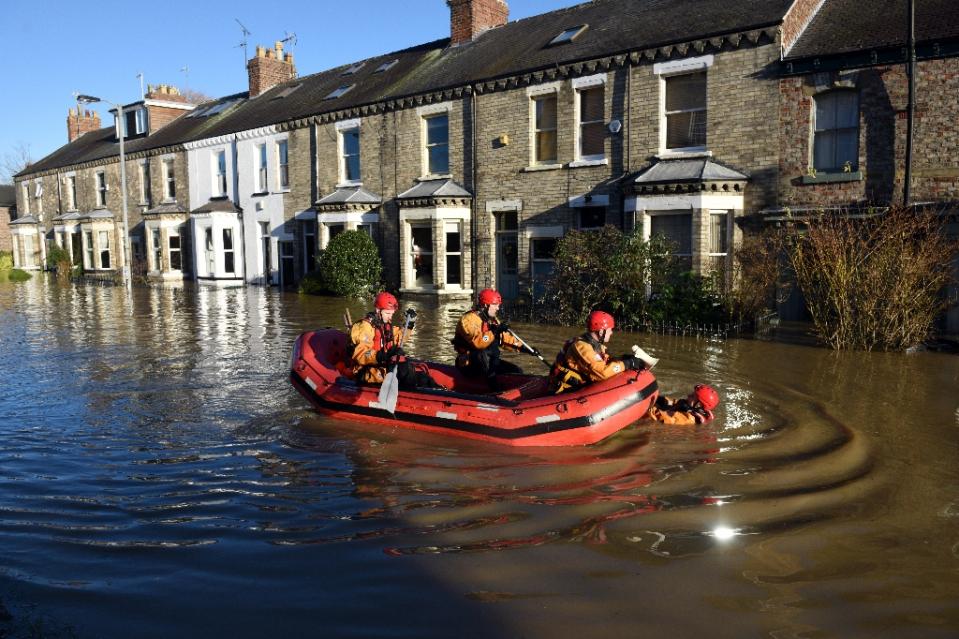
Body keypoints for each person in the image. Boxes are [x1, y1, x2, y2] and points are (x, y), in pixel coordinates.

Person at [453, 288, 538, 390]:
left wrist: (525, 349)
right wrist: (494, 331)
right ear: (486, 305)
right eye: (495, 305)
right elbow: (478, 343)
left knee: (516, 370)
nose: (498, 308)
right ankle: (493, 388)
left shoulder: (492, 321)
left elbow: (505, 339)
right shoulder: (467, 321)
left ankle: (510, 391)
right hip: (469, 364)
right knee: (482, 354)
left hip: (489, 362)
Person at [349, 292, 437, 390]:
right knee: (405, 375)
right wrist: (383, 355)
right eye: (387, 313)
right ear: (378, 310)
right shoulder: (364, 327)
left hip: (383, 366)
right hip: (366, 371)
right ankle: (412, 397)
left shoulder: (385, 324)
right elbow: (361, 354)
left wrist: (410, 323)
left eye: (392, 314)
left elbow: (400, 338)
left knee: (421, 377)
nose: (390, 317)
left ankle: (439, 391)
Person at [548, 310, 645, 393]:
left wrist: (623, 358)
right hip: (566, 390)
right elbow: (603, 373)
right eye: (610, 330)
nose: (611, 333)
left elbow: (602, 360)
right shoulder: (582, 347)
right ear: (601, 332)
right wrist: (627, 364)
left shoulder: (594, 344)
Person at [647, 384, 720, 426]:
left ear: (698, 405)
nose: (688, 395)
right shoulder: (686, 406)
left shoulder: (687, 419)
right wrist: (657, 398)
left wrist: (648, 405)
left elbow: (661, 417)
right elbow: (673, 403)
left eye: (692, 396)